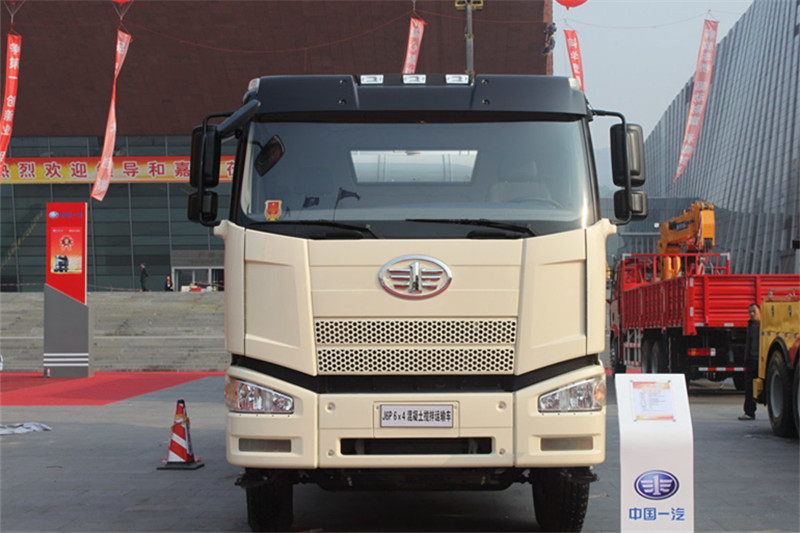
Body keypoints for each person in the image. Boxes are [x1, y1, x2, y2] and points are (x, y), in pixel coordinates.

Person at [738, 303, 761, 420]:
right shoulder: (750, 325)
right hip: (752, 360)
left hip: (762, 362)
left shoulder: (765, 326)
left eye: (754, 311)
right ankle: (749, 412)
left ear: (760, 312)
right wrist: (746, 359)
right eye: (749, 312)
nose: (751, 314)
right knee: (749, 388)